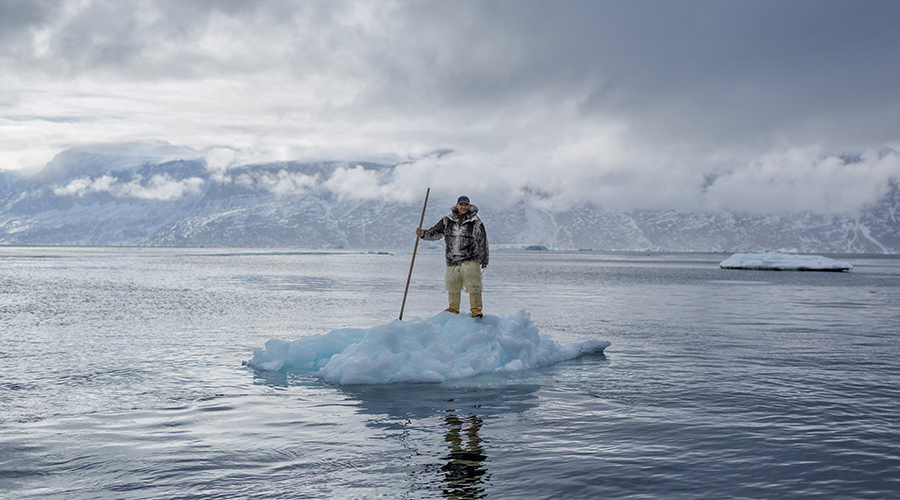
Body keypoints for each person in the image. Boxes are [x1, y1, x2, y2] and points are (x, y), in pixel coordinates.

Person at [416, 195, 489, 317]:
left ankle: (476, 309)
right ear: (457, 205)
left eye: (466, 205)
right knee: (452, 285)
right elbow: (435, 232)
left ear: (469, 206)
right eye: (461, 205)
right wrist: (423, 233)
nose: (463, 207)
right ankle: (453, 308)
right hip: (452, 259)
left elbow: (483, 240)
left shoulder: (476, 222)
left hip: (470, 258)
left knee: (474, 284)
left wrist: (484, 258)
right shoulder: (447, 220)